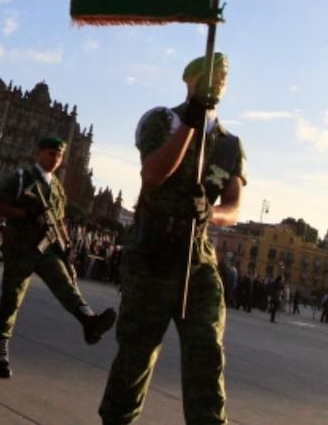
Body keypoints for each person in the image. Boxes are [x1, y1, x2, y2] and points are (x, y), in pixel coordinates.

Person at [99, 53, 245, 425]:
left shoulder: (230, 145)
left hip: (197, 259)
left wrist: (210, 213)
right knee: (136, 353)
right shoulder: (161, 120)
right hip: (152, 253)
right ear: (189, 78)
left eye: (223, 77)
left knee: (207, 356)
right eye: (210, 75)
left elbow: (233, 206)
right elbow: (153, 174)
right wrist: (190, 125)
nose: (217, 82)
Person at [0, 136, 117, 378]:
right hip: (22, 249)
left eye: (58, 155)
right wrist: (25, 213)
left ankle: (89, 320)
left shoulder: (57, 186)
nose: (54, 159)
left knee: (66, 286)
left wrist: (67, 246)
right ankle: (0, 349)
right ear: (38, 153)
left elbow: (59, 219)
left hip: (47, 248)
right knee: (11, 298)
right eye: (50, 153)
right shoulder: (21, 178)